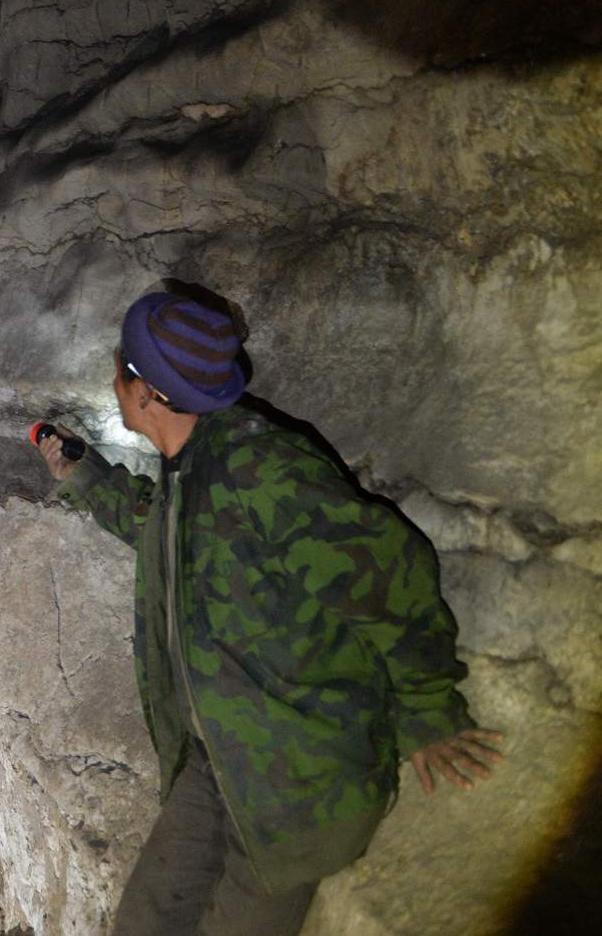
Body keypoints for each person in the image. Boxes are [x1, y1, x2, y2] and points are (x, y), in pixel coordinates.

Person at [35, 291, 504, 936]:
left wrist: (431, 711)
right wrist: (85, 477)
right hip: (217, 757)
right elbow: (165, 530)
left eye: (121, 369)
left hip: (297, 783)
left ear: (146, 395)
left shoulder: (263, 469)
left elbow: (389, 575)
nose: (113, 379)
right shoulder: (194, 461)